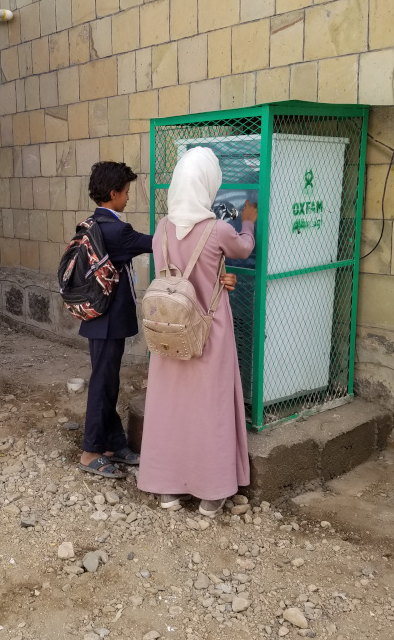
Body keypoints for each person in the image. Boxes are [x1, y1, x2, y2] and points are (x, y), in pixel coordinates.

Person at [137, 146, 257, 515]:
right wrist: (249, 220)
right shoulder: (219, 229)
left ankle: (167, 489)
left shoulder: (162, 228)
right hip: (209, 329)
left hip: (170, 329)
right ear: (207, 184)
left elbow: (170, 272)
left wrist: (219, 275)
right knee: (211, 406)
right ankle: (211, 493)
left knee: (170, 408)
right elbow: (243, 249)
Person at [77, 162, 153, 479]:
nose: (128, 198)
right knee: (103, 384)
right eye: (126, 192)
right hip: (108, 322)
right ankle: (90, 451)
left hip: (98, 318)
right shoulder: (117, 231)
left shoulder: (90, 225)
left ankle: (113, 444)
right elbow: (155, 243)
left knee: (107, 381)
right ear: (113, 193)